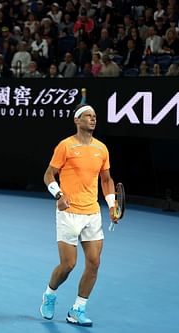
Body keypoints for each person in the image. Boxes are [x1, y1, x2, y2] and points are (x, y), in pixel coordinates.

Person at [40, 103, 120, 327]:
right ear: (77, 120)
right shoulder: (65, 146)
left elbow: (106, 179)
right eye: (87, 116)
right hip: (68, 213)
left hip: (92, 213)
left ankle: (78, 309)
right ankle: (50, 294)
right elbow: (48, 175)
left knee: (94, 263)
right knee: (68, 265)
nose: (93, 119)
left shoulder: (102, 149)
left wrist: (112, 204)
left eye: (94, 116)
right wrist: (58, 195)